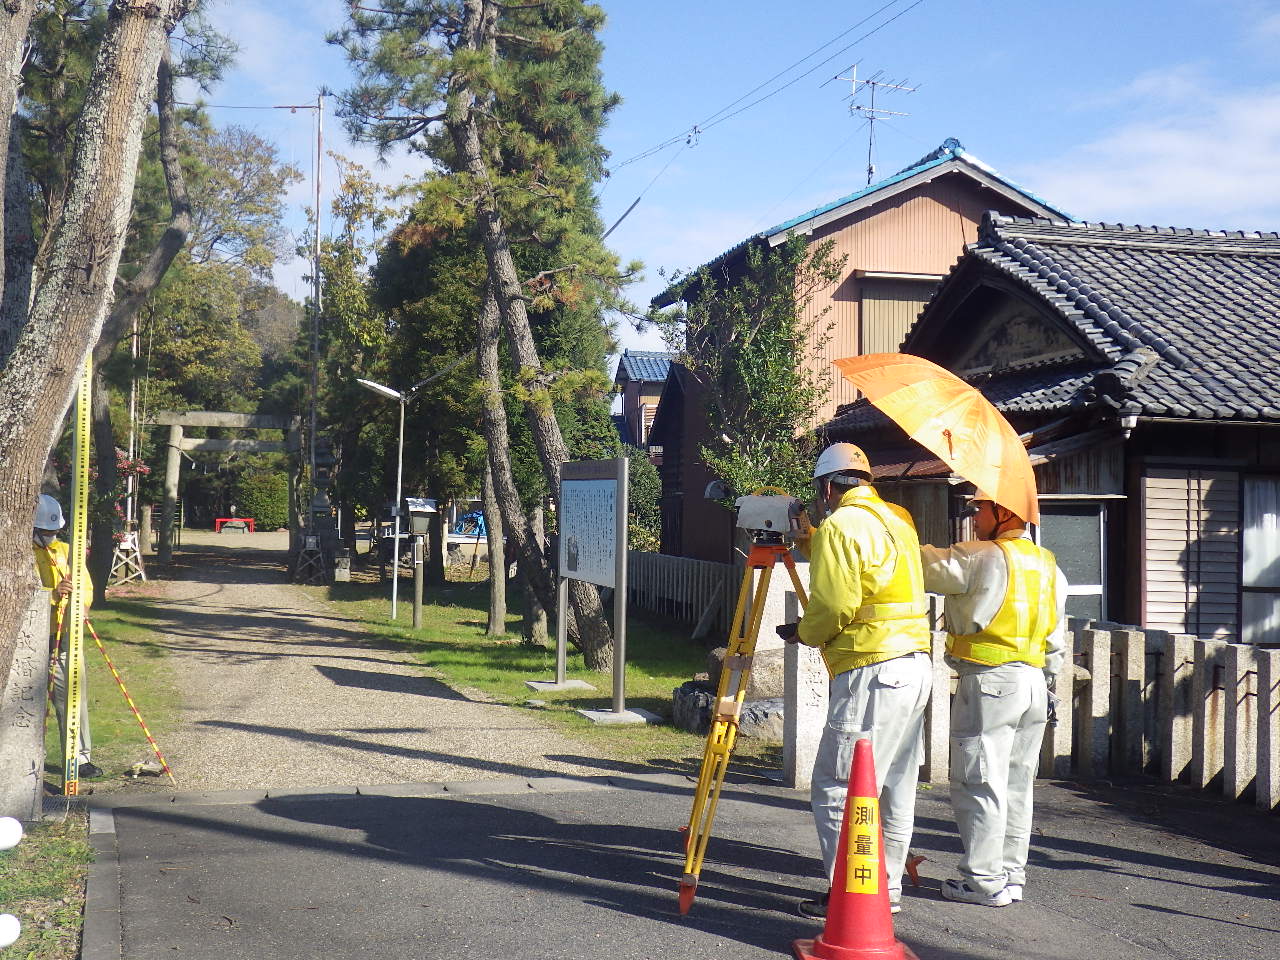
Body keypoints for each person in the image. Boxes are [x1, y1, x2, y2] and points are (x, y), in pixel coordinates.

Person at [780, 442, 932, 918]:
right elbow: (868, 569)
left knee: (837, 784)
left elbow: (834, 607)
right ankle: (884, 891)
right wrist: (810, 538)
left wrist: (804, 632)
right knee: (892, 787)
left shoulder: (840, 526)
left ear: (827, 486)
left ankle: (849, 895)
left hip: (872, 668)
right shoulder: (898, 520)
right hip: (914, 666)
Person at [920, 496, 1066, 907]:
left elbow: (919, 566)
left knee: (979, 780)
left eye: (981, 510)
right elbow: (1057, 638)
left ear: (1004, 514)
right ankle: (1010, 875)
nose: (975, 517)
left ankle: (982, 881)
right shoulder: (1048, 564)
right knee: (1018, 784)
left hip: (990, 683)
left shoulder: (980, 556)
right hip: (1035, 683)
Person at [32, 494, 101, 779]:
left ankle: (79, 757)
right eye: (46, 533)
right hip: (33, 640)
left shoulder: (66, 552)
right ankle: (27, 757)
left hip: (65, 639)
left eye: (54, 532)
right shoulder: (16, 554)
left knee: (73, 698)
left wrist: (82, 605)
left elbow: (84, 584)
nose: (51, 537)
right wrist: (52, 595)